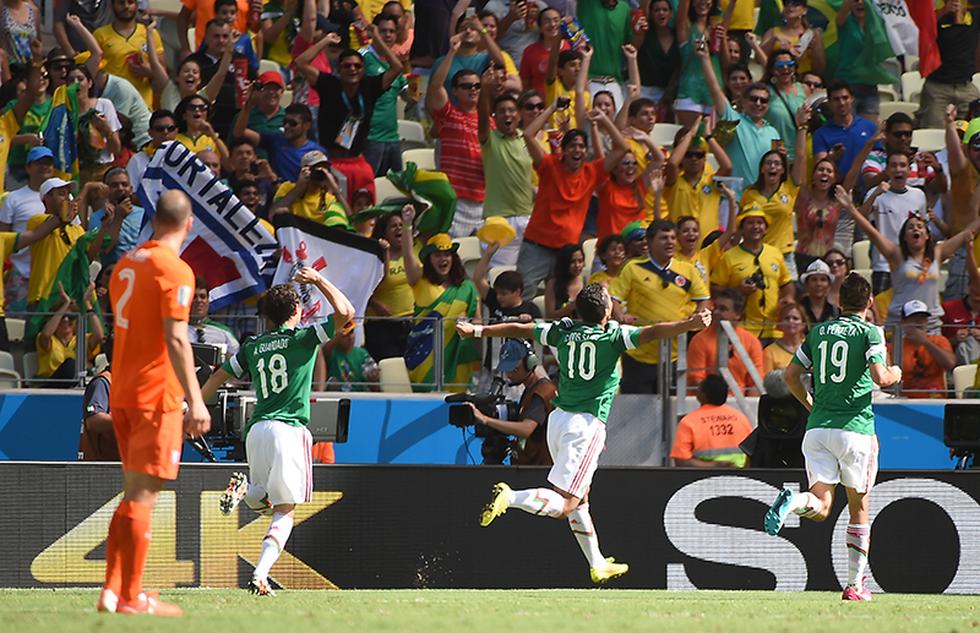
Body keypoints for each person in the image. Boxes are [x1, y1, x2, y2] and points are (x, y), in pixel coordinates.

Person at [457, 283, 710, 583]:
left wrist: (478, 332)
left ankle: (597, 562)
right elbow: (654, 332)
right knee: (565, 505)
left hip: (559, 419)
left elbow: (521, 328)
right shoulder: (614, 337)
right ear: (605, 311)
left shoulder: (562, 332)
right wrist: (689, 324)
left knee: (582, 497)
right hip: (585, 425)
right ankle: (511, 497)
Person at [201, 270, 353, 596]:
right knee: (285, 510)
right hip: (289, 431)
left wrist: (195, 408)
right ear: (296, 311)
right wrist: (319, 281)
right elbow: (346, 313)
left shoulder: (253, 347)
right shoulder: (304, 338)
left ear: (267, 316)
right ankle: (260, 573)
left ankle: (245, 490)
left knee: (267, 501)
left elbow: (217, 379)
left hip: (256, 429)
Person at [99, 190, 211, 615]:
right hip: (155, 395)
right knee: (144, 495)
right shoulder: (175, 270)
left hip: (123, 391)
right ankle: (131, 597)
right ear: (188, 224)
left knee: (131, 494)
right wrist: (196, 401)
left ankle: (112, 590)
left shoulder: (125, 265)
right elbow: (176, 336)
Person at [767, 272, 903, 601]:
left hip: (818, 429)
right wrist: (896, 371)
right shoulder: (871, 332)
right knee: (858, 508)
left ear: (839, 302)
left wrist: (810, 404)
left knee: (822, 504)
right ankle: (855, 586)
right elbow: (880, 377)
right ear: (870, 303)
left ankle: (793, 501)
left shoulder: (819, 331)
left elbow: (790, 375)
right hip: (854, 429)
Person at [517, 106, 629, 298]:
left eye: (581, 146)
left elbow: (623, 148)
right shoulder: (549, 165)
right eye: (572, 146)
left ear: (585, 151)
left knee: (563, 302)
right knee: (522, 296)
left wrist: (603, 119)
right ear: (564, 150)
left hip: (567, 252)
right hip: (537, 246)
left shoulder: (591, 172)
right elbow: (528, 135)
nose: (577, 150)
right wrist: (552, 108)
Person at [838, 185, 980, 329]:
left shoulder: (937, 253)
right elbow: (872, 233)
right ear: (904, 237)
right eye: (910, 227)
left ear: (927, 235)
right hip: (901, 323)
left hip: (930, 324)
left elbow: (966, 234)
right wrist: (850, 208)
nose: (915, 229)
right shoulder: (896, 254)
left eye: (919, 226)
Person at [295, 23, 402, 204]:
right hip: (332, 162)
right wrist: (326, 41)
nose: (352, 69)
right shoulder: (329, 84)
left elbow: (397, 67)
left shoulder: (369, 87)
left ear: (363, 69)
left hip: (359, 163)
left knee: (364, 211)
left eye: (357, 66)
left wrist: (377, 39)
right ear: (339, 69)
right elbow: (301, 62)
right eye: (347, 66)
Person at [610, 220, 710, 393]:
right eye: (664, 238)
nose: (670, 242)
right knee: (638, 412)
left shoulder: (687, 270)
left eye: (672, 237)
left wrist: (697, 316)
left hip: (673, 355)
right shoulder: (633, 268)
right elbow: (613, 299)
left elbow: (704, 298)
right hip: (638, 354)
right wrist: (620, 316)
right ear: (649, 242)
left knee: (670, 410)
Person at [697, 43, 781, 186]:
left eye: (764, 101)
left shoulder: (774, 133)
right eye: (754, 99)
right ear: (744, 101)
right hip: (733, 199)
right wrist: (705, 59)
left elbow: (779, 165)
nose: (758, 103)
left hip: (760, 201)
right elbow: (715, 90)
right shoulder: (733, 120)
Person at [405, 231, 481, 390]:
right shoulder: (421, 280)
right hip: (425, 356)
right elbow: (408, 257)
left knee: (456, 405)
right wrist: (407, 226)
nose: (443, 259)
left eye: (447, 254)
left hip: (458, 355)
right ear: (429, 259)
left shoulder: (467, 288)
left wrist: (468, 326)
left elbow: (478, 321)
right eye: (437, 255)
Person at [427, 35, 486, 237]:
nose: (473, 90)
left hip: (482, 204)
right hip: (456, 202)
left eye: (477, 86)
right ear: (455, 90)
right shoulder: (448, 115)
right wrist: (452, 52)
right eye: (467, 86)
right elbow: (435, 86)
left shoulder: (489, 122)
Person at [465, 338, 556, 465]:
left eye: (514, 369)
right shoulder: (530, 389)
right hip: (526, 466)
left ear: (530, 363)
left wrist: (485, 419)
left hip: (538, 471)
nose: (509, 374)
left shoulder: (542, 391)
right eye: (507, 369)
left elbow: (526, 429)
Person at [710, 207, 795, 340]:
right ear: (741, 229)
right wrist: (738, 290)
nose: (755, 226)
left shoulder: (775, 253)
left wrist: (788, 297)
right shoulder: (728, 257)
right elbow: (714, 288)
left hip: (773, 330)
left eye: (760, 223)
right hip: (742, 330)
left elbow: (786, 282)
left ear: (766, 228)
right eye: (750, 223)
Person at [478, 81, 533, 267]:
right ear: (494, 116)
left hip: (527, 218)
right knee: (500, 279)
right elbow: (482, 116)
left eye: (511, 110)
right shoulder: (489, 138)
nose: (507, 114)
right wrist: (485, 90)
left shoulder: (527, 139)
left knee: (524, 283)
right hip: (498, 220)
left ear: (519, 115)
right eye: (501, 111)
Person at [686, 287, 764, 393]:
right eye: (715, 307)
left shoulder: (752, 342)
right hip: (707, 402)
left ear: (738, 315)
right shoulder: (699, 340)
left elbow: (756, 383)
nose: (716, 312)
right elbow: (696, 381)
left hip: (742, 403)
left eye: (723, 309)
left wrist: (750, 407)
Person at [664, 120, 734, 233]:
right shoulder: (673, 182)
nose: (694, 159)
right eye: (688, 154)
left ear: (705, 158)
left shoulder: (712, 181)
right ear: (682, 157)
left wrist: (708, 136)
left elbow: (728, 167)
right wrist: (691, 133)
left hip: (709, 248)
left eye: (699, 155)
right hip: (679, 248)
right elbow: (672, 164)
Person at [362, 12, 410, 176]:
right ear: (374, 32)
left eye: (392, 31)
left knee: (396, 189)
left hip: (392, 136)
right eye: (383, 31)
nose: (388, 35)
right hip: (370, 137)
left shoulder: (394, 61)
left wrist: (414, 97)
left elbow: (406, 96)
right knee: (369, 190)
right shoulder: (361, 58)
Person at [366, 206, 417, 360]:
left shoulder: (414, 252)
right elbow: (364, 288)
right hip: (382, 327)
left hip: (411, 323)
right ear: (384, 232)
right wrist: (374, 303)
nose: (398, 229)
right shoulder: (373, 257)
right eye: (393, 226)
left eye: (401, 225)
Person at [670, 373, 753, 467]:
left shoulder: (689, 422)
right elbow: (752, 455)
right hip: (739, 478)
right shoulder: (741, 419)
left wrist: (714, 466)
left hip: (702, 479)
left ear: (702, 394)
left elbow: (682, 461)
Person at [93, 0, 165, 107]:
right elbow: (94, 72)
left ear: (136, 5)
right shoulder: (100, 35)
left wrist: (148, 71)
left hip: (143, 105)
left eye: (130, 2)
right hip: (113, 103)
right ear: (112, 6)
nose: (126, 6)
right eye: (121, 3)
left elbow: (164, 71)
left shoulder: (150, 33)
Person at [918, 0, 978, 127]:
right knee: (932, 134)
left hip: (966, 86)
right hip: (937, 88)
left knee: (973, 131)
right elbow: (921, 28)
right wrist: (944, 11)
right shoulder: (933, 10)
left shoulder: (974, 10)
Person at [36, 282, 104, 385]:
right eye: (62, 317)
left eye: (71, 317)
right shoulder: (49, 340)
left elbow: (99, 335)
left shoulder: (81, 339)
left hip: (76, 385)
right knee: (71, 364)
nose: (66, 320)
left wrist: (87, 304)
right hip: (51, 386)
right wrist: (66, 303)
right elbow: (46, 334)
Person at [890, 299, 955, 398]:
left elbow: (950, 364)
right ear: (904, 322)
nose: (919, 322)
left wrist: (925, 342)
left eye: (923, 318)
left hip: (935, 397)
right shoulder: (897, 346)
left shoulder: (939, 340)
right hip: (905, 398)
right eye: (914, 318)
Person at [812, 81, 877, 178]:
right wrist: (831, 157)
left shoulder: (869, 127)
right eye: (836, 99)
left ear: (852, 99)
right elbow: (819, 167)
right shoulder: (820, 134)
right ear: (829, 102)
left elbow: (880, 158)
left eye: (845, 98)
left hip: (867, 189)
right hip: (838, 189)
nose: (841, 103)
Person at [760, 0, 824, 76]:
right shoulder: (772, 32)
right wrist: (773, 39)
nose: (790, 7)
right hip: (778, 78)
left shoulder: (811, 34)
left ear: (804, 10)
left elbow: (820, 69)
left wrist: (814, 48)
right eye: (786, 4)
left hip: (803, 79)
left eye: (795, 4)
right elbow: (759, 59)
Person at [320, 322, 381, 391]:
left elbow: (375, 386)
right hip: (338, 396)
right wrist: (338, 336)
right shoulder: (332, 352)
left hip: (359, 395)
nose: (350, 337)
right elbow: (323, 351)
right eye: (345, 335)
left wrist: (374, 378)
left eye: (352, 332)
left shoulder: (362, 353)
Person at [188, 278, 241, 356]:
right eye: (194, 297)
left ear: (208, 300)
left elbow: (236, 358)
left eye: (202, 297)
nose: (199, 300)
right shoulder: (176, 330)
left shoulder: (224, 331)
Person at [763, 301, 807, 373]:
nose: (791, 321)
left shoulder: (811, 347)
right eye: (787, 318)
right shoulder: (769, 352)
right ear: (779, 324)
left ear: (803, 324)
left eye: (795, 318)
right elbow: (767, 381)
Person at [544, 243, 585, 319]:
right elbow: (549, 316)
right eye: (573, 262)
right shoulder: (553, 284)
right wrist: (569, 308)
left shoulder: (587, 282)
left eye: (580, 261)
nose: (577, 265)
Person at [799, 259, 840, 325]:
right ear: (806, 285)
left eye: (823, 280)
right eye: (814, 280)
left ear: (829, 285)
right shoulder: (797, 310)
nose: (818, 284)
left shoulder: (836, 312)